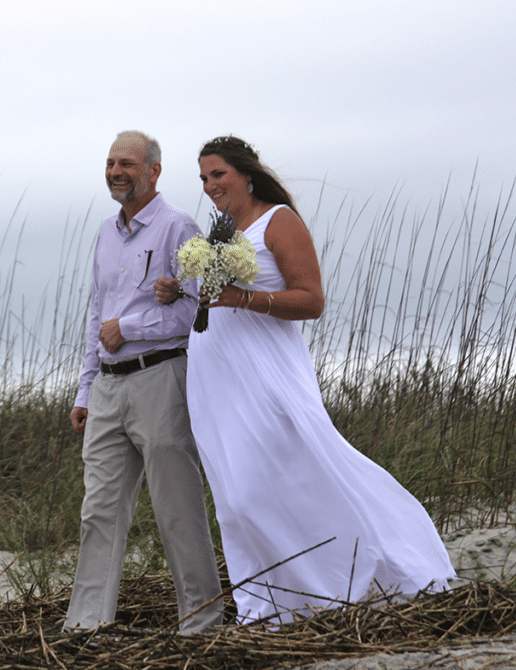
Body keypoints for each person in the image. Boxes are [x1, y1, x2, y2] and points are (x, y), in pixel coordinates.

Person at [155, 135, 455, 623]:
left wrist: (242, 298)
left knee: (284, 480)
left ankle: (384, 567)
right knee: (234, 500)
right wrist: (182, 293)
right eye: (204, 178)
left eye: (219, 175)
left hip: (265, 375)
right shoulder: (223, 231)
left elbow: (311, 301)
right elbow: (218, 300)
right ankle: (271, 608)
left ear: (246, 173)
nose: (210, 186)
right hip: (216, 378)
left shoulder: (279, 221)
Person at [64, 130, 223, 635]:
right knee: (99, 510)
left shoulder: (180, 228)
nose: (116, 171)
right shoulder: (105, 234)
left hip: (160, 377)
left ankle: (202, 621)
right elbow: (96, 315)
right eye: (110, 162)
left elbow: (195, 311)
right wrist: (85, 389)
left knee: (177, 508)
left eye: (127, 163)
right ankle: (87, 625)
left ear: (154, 170)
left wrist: (127, 328)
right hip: (108, 388)